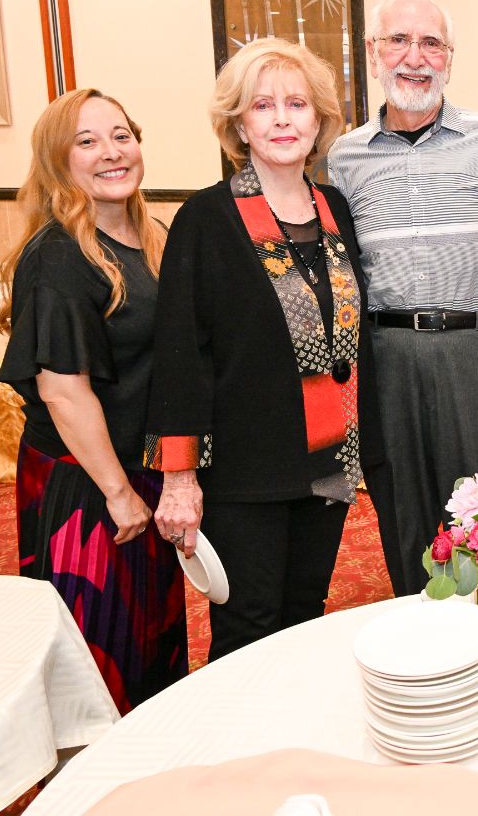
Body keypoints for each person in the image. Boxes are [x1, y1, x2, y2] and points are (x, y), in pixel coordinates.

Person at [147, 37, 381, 661]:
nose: (282, 118)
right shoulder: (206, 219)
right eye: (263, 105)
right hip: (245, 472)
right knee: (248, 629)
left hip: (328, 465)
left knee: (306, 618)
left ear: (319, 120)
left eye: (297, 104)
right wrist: (178, 479)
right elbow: (179, 356)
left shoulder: (335, 210)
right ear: (239, 124)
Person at [327, 0, 478, 597]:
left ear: (449, 55)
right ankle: (422, 643)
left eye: (430, 42)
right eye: (399, 40)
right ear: (372, 51)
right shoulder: (343, 156)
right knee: (406, 517)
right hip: (387, 357)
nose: (414, 57)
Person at [0, 88, 185, 713]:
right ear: (59, 160)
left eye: (121, 135)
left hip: (141, 472)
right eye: (88, 141)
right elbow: (61, 389)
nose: (111, 152)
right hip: (89, 486)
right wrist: (118, 492)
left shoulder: (149, 237)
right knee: (97, 665)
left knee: (149, 649)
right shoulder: (57, 257)